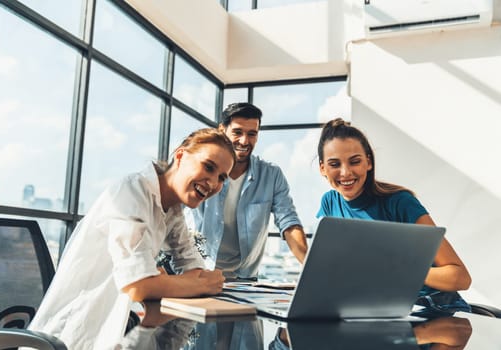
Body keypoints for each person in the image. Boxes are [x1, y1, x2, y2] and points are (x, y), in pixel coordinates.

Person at [27, 128, 236, 349]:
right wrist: (164, 282)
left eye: (221, 178)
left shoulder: (173, 210)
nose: (213, 183)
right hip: (73, 336)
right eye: (208, 167)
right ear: (181, 156)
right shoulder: (132, 192)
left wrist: (165, 282)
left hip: (113, 332)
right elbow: (137, 285)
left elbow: (196, 271)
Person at [316, 118, 472, 310]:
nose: (345, 172)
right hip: (378, 309)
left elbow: (461, 278)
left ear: (368, 162)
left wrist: (396, 271)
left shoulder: (400, 202)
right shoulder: (329, 203)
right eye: (334, 164)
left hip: (431, 308)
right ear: (322, 168)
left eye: (355, 161)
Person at [188, 102, 308, 280]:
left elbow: (289, 222)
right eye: (237, 132)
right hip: (199, 273)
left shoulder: (271, 175)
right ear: (222, 130)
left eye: (252, 134)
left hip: (245, 279)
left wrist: (309, 265)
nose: (244, 141)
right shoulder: (203, 170)